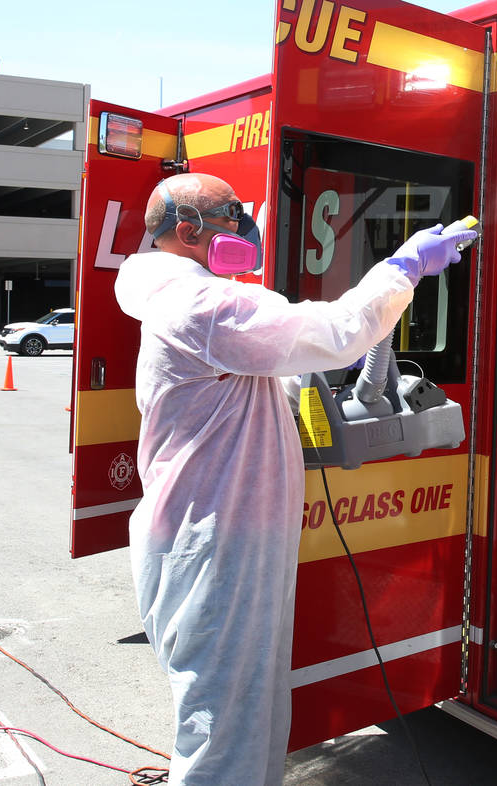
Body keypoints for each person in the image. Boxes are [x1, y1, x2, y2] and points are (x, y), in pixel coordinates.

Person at [114, 172, 476, 785]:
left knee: (243, 715)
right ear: (187, 231)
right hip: (214, 543)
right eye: (230, 216)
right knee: (221, 734)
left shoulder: (183, 297)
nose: (244, 227)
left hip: (216, 537)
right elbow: (339, 333)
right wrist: (405, 265)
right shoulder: (203, 305)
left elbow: (276, 370)